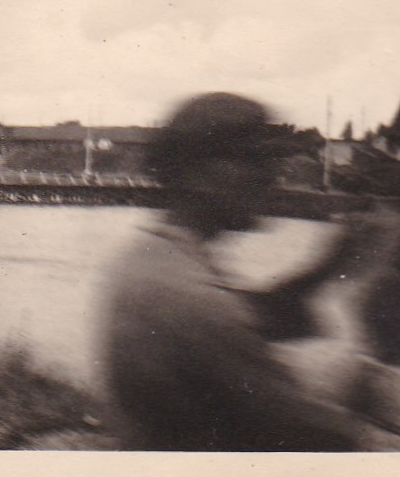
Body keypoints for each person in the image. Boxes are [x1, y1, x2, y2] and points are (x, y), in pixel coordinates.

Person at [101, 92, 361, 451]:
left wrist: (326, 270)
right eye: (255, 161)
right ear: (199, 174)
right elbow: (307, 432)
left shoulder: (153, 256)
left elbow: (243, 318)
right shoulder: (193, 297)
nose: (272, 176)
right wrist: (364, 394)